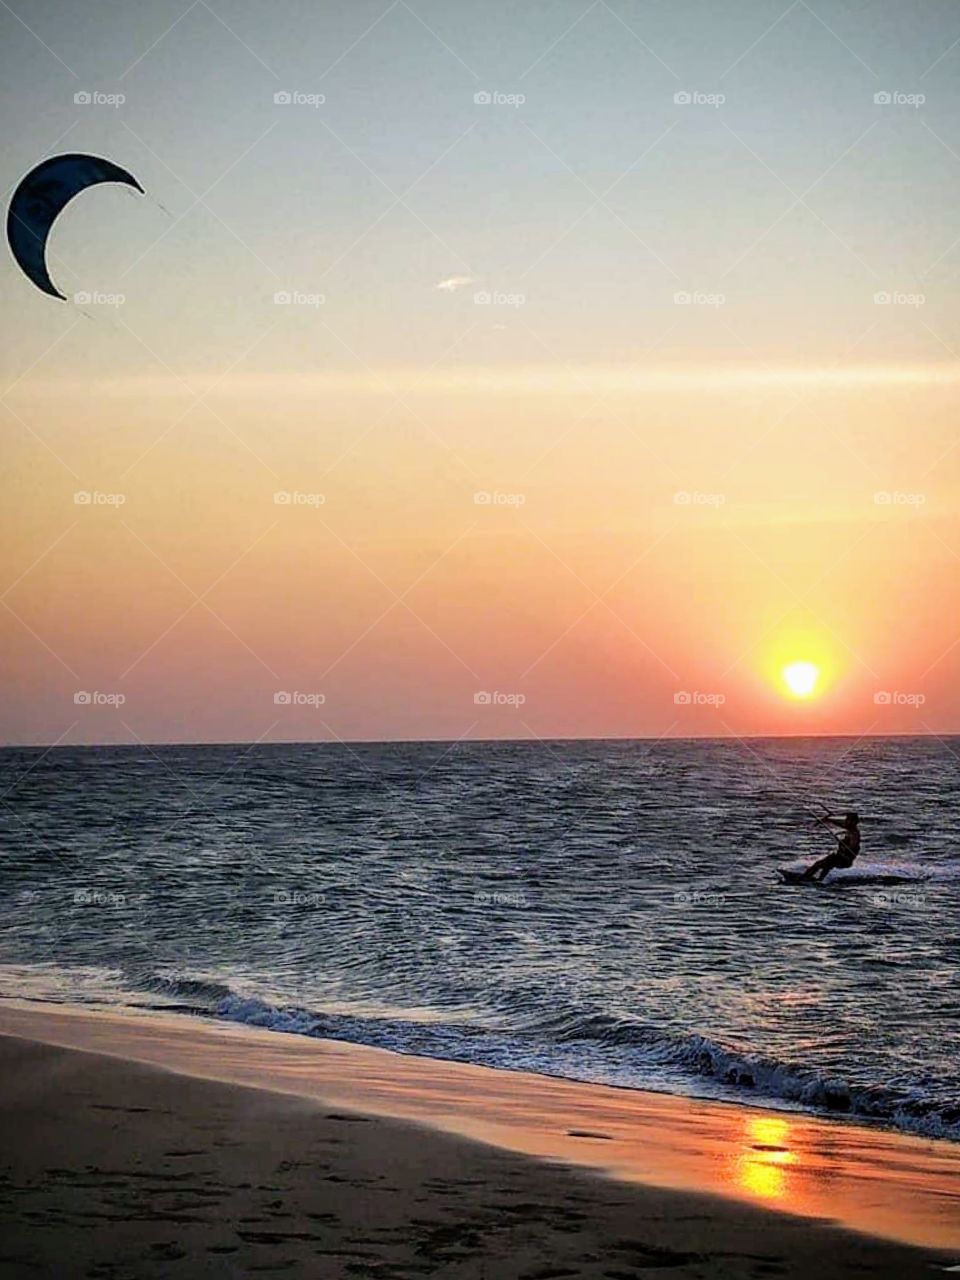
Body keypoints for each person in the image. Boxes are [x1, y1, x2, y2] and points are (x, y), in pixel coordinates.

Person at [801, 812, 861, 881]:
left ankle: (804, 878)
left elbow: (852, 846)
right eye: (847, 819)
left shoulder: (854, 834)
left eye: (849, 820)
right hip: (839, 857)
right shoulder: (849, 829)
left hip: (844, 860)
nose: (846, 821)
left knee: (818, 864)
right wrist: (829, 820)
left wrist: (842, 843)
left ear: (854, 822)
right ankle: (819, 880)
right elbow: (840, 824)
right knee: (827, 865)